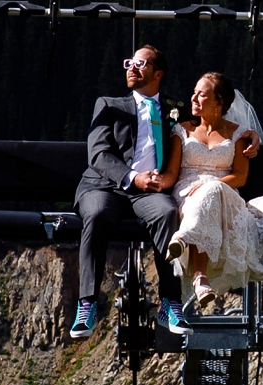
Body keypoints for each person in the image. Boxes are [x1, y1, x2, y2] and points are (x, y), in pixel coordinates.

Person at [71, 44, 186, 337]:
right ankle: (87, 302)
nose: (131, 68)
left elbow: (212, 127)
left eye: (140, 64)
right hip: (105, 185)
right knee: (96, 214)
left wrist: (248, 137)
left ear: (158, 74)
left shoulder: (176, 109)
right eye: (129, 63)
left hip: (149, 192)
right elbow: (98, 155)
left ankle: (171, 302)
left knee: (167, 213)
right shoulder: (109, 105)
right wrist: (133, 178)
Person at [169, 68, 263, 313]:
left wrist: (211, 185)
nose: (193, 99)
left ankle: (184, 239)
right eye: (194, 93)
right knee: (202, 201)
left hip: (224, 192)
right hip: (186, 192)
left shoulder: (237, 135)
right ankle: (200, 278)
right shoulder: (182, 131)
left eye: (201, 95)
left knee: (211, 192)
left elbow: (241, 177)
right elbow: (172, 173)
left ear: (218, 102)